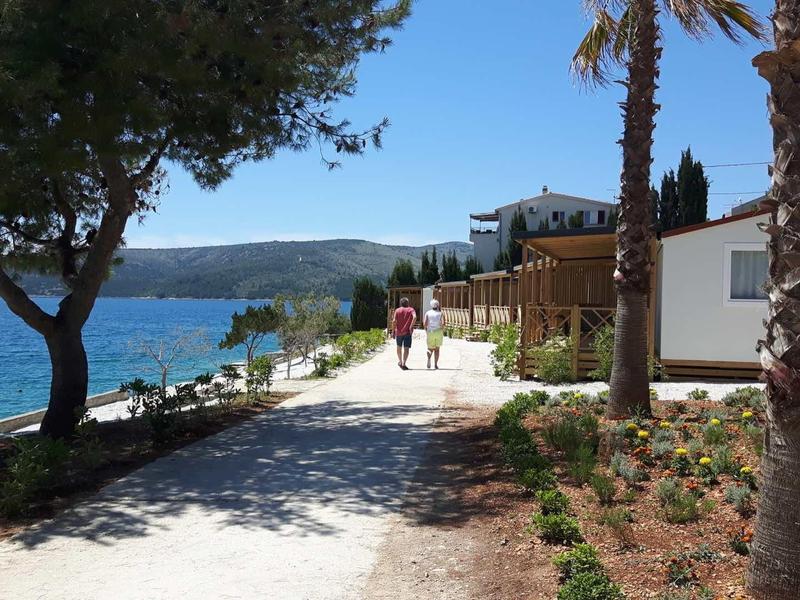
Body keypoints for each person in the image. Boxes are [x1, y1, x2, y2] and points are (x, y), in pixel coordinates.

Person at [391, 297, 416, 370]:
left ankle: (400, 361)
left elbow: (394, 321)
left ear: (401, 303)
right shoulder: (411, 309)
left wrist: (393, 331)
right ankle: (404, 363)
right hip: (408, 332)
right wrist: (411, 326)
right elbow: (414, 317)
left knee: (399, 347)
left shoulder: (397, 310)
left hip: (398, 332)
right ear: (407, 303)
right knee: (406, 348)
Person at [423, 299, 445, 369]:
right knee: (437, 349)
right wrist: (442, 329)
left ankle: (429, 356)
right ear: (438, 305)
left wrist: (426, 330)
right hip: (438, 331)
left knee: (430, 348)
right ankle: (435, 364)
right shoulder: (440, 313)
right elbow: (443, 323)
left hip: (430, 331)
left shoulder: (428, 313)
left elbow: (425, 323)